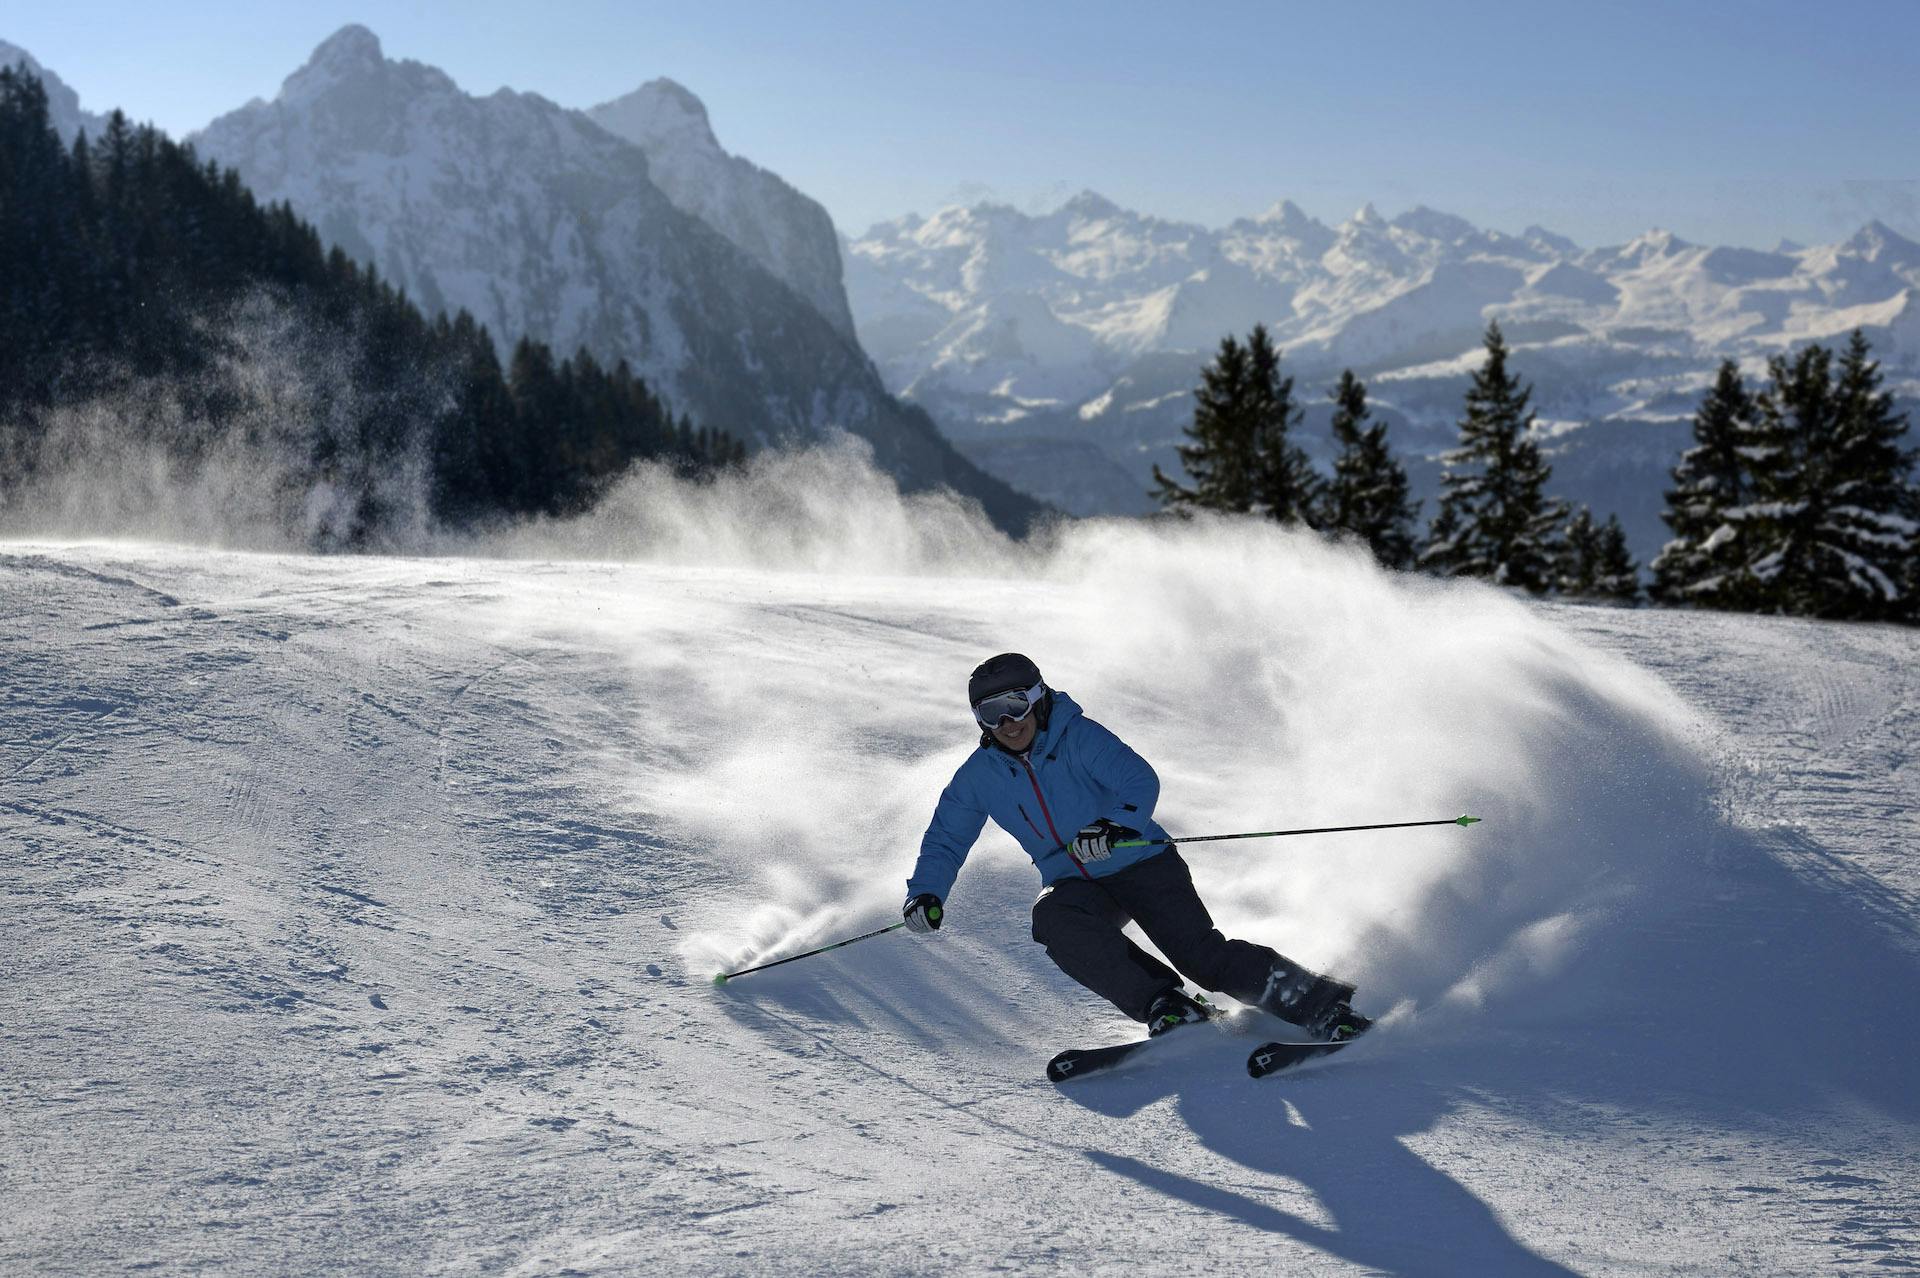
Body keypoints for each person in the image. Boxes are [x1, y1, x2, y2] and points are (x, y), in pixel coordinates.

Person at [902, 653, 1372, 1041]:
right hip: (1076, 882)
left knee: (1202, 958)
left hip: (1142, 862)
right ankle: (1165, 1003)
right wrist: (926, 892)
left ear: (1038, 698)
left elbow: (1138, 779)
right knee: (1054, 919)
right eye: (991, 713)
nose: (1007, 722)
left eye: (1015, 705)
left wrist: (1114, 826)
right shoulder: (980, 776)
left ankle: (1323, 1007)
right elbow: (946, 837)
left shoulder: (1077, 737)